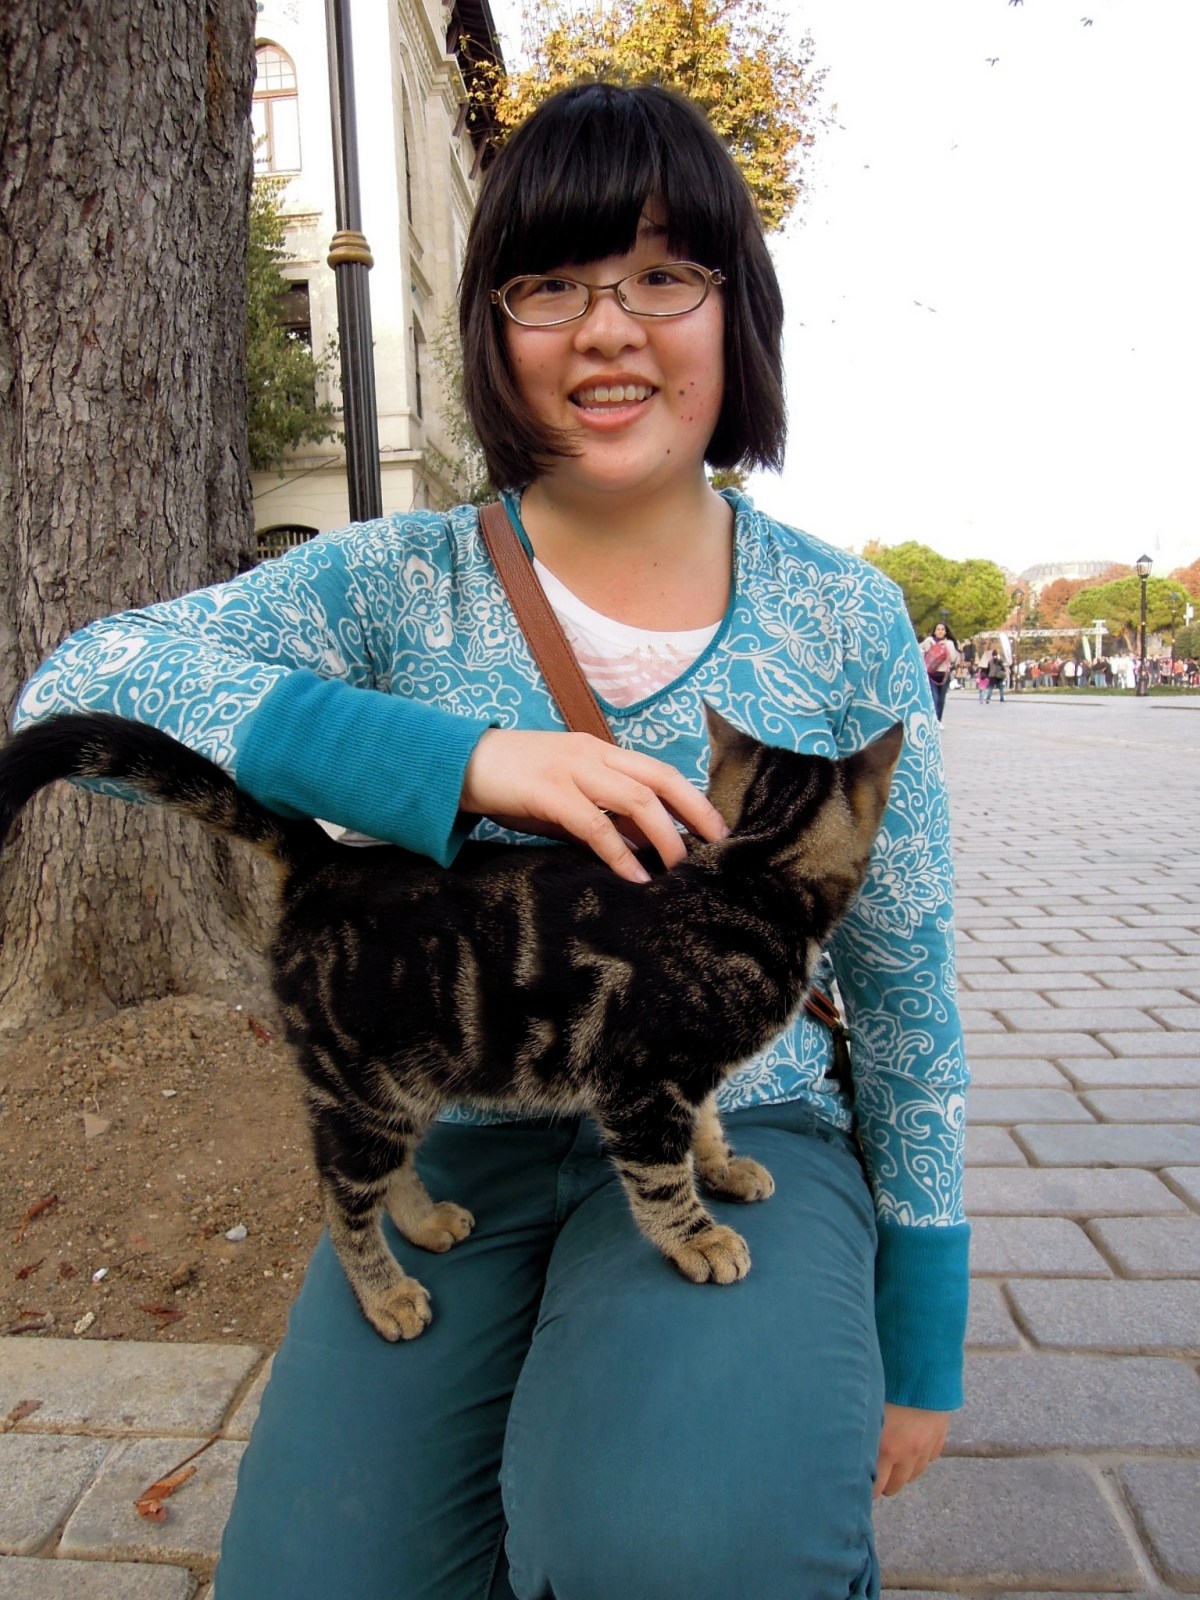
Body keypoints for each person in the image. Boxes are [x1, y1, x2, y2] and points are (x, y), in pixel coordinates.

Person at [12, 83, 968, 1600]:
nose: (609, 330)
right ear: (492, 325)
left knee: (689, 1550)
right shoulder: (396, 581)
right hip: (466, 1112)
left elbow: (908, 997)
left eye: (665, 275)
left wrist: (924, 1335)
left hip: (744, 1123)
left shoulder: (845, 615)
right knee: (318, 1581)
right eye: (551, 284)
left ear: (739, 310)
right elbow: (77, 686)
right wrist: (455, 757)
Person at [919, 621, 960, 721]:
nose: (940, 631)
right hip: (931, 674)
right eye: (938, 629)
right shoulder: (929, 641)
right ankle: (934, 720)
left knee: (941, 700)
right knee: (935, 698)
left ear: (945, 632)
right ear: (934, 631)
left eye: (942, 629)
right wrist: (926, 651)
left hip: (944, 675)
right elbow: (918, 649)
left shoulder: (949, 643)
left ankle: (938, 720)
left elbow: (953, 659)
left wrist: (947, 646)